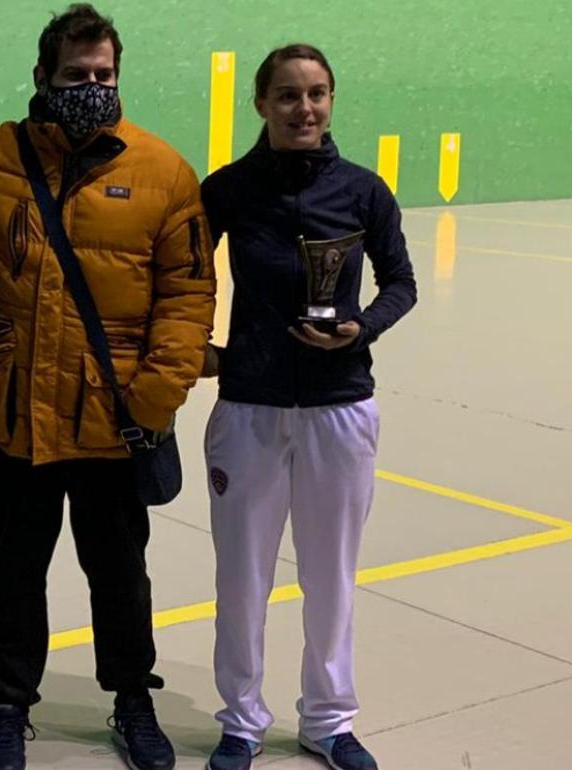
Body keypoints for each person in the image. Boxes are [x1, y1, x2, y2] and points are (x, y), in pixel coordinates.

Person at [0, 5, 216, 770]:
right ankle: (9, 703)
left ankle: (133, 700)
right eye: (74, 76)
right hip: (13, 416)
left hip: (117, 424)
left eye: (104, 76)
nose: (91, 87)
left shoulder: (163, 172)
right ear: (40, 77)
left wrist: (155, 400)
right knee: (15, 573)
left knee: (120, 575)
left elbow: (188, 297)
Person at [198, 43, 417, 770]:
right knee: (241, 577)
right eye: (288, 95)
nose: (305, 109)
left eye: (317, 94)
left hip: (340, 407)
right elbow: (180, 275)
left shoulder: (363, 190)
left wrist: (363, 328)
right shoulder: (227, 190)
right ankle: (241, 721)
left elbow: (401, 282)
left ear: (331, 101)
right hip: (249, 410)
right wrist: (200, 350)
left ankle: (329, 720)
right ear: (260, 103)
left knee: (331, 575)